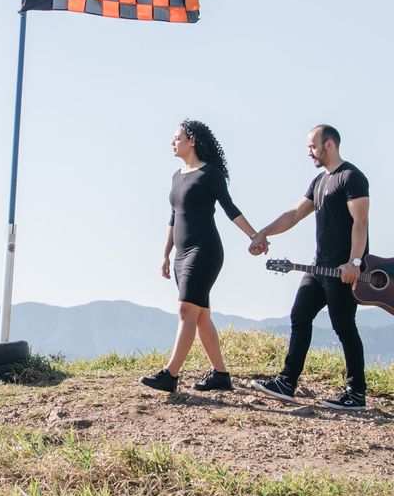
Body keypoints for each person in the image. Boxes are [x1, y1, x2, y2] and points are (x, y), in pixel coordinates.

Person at [249, 124, 369, 410]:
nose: (309, 152)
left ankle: (356, 394)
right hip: (318, 268)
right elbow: (294, 214)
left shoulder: (351, 177)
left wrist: (354, 262)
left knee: (344, 326)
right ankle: (286, 382)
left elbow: (360, 222)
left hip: (343, 270)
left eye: (312, 146)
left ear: (329, 144)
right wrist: (263, 232)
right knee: (300, 316)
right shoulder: (319, 181)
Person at [140, 120, 262, 393]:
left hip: (204, 250)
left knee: (186, 310)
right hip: (181, 255)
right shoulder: (176, 176)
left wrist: (254, 236)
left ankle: (170, 375)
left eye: (177, 138)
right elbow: (174, 217)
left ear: (192, 140)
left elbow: (230, 208)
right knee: (201, 315)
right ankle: (220, 375)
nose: (172, 142)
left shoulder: (211, 174)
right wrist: (165, 254)